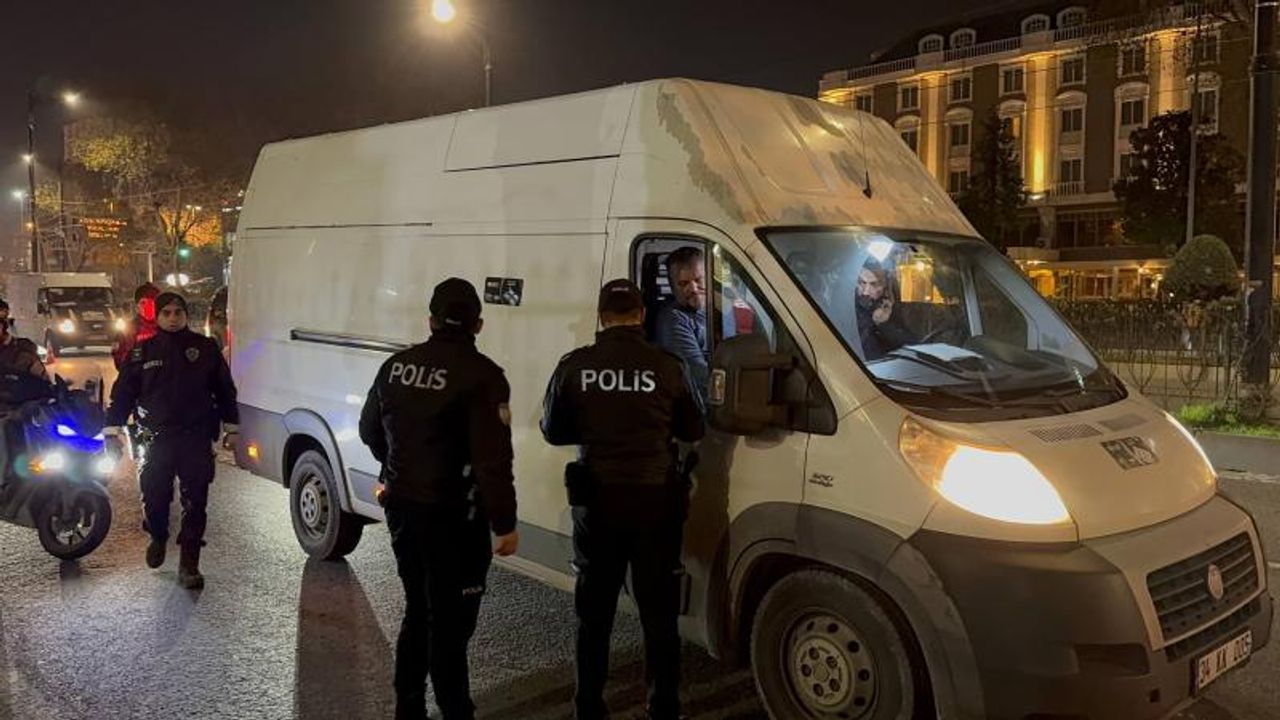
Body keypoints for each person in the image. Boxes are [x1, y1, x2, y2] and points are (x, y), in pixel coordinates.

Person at [541, 278, 706, 720]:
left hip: (598, 503)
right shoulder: (668, 365)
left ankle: (589, 707)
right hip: (655, 503)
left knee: (594, 617)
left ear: (601, 317)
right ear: (641, 315)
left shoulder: (575, 365)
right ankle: (663, 707)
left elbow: (553, 430)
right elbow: (693, 428)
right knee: (659, 617)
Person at [358, 277, 519, 720]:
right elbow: (492, 459)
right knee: (451, 622)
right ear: (478, 324)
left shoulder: (396, 367)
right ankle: (455, 710)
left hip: (404, 508)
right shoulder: (484, 376)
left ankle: (408, 707)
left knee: (418, 609)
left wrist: (396, 465)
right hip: (455, 517)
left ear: (431, 320)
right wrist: (504, 522)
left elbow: (369, 430)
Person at [104, 292, 238, 590]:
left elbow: (224, 389)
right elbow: (123, 393)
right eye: (167, 313)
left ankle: (189, 563)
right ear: (158, 317)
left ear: (185, 315)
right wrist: (111, 429)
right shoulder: (142, 352)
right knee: (154, 495)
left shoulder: (205, 349)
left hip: (195, 436)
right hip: (154, 437)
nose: (173, 318)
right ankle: (157, 535)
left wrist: (232, 427)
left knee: (196, 502)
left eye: (178, 312)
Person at [653, 247, 709, 401]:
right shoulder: (673, 319)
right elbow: (700, 380)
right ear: (672, 287)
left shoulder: (722, 307)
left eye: (698, 280)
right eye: (683, 283)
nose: (693, 289)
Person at [854, 261, 916, 361]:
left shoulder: (894, 309)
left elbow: (912, 346)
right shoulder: (850, 306)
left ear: (884, 287)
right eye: (863, 283)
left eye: (873, 284)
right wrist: (870, 323)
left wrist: (884, 325)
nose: (866, 292)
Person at [112, 282, 161, 370]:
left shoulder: (168, 328)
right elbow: (119, 360)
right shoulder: (126, 331)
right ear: (137, 306)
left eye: (153, 303)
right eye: (144, 303)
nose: (149, 307)